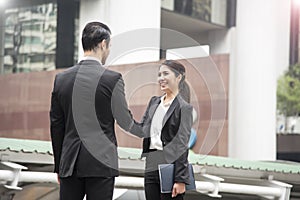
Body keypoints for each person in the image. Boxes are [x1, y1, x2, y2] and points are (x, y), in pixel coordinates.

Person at [50, 21, 143, 200]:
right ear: (103, 44)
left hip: (70, 163)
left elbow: (56, 126)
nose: (108, 51)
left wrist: (60, 167)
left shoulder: (61, 79)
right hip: (101, 161)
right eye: (109, 46)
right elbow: (124, 120)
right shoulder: (112, 79)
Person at [140, 60, 193, 200]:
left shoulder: (184, 108)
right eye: (159, 74)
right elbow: (142, 129)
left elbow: (182, 144)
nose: (161, 78)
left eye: (165, 74)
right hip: (151, 162)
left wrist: (180, 179)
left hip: (170, 164)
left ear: (178, 77)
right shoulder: (154, 102)